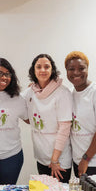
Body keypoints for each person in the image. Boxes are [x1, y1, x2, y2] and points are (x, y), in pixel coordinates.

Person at [23, 54, 73, 183]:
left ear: (52, 70)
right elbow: (13, 101)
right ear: (33, 71)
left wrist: (55, 160)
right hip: (41, 156)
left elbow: (64, 129)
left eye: (47, 67)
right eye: (38, 67)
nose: (43, 70)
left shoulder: (62, 93)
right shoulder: (31, 91)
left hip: (58, 160)